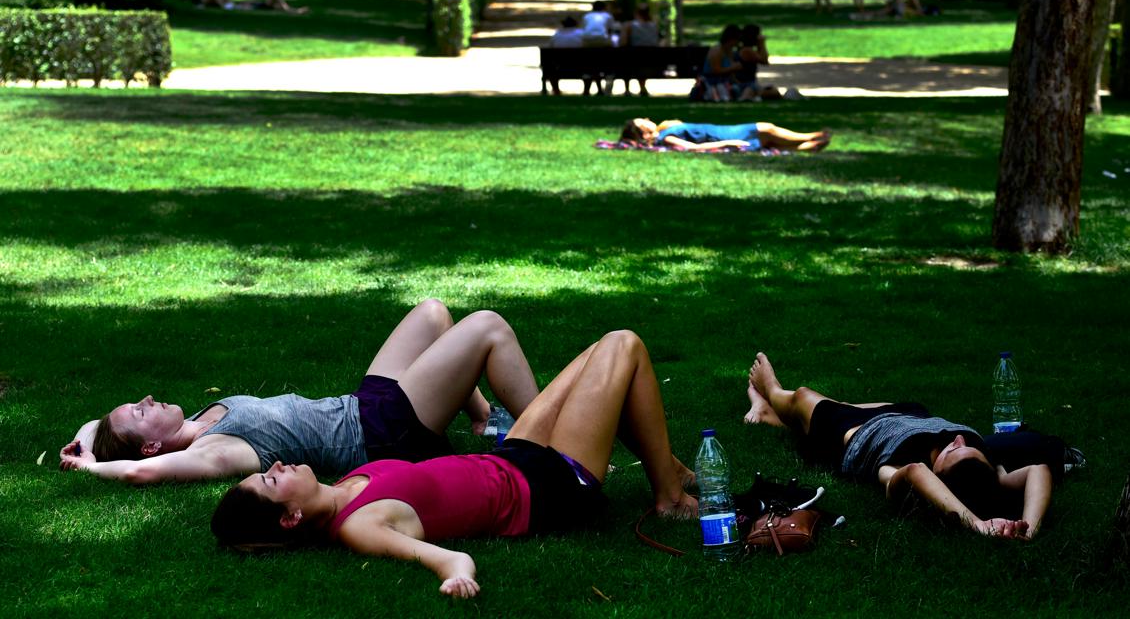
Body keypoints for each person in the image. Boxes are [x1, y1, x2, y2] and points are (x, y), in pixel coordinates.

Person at [211, 330, 698, 598]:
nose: (276, 465)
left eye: (267, 469)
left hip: (514, 458)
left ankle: (667, 469)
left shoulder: (344, 487)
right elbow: (443, 558)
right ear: (291, 516)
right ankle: (670, 497)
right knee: (622, 345)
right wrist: (457, 575)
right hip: (550, 486)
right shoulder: (360, 526)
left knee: (599, 355)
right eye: (271, 480)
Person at [58, 300, 540, 484]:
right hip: (383, 432)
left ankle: (481, 418)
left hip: (360, 404)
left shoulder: (197, 419)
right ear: (150, 446)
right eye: (140, 415)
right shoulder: (216, 451)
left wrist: (84, 441)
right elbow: (140, 474)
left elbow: (105, 431)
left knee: (433, 313)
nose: (146, 400)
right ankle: (547, 443)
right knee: (487, 327)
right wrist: (95, 466)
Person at [742, 352, 1053, 540]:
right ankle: (768, 415)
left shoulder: (899, 472)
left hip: (845, 429)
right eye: (966, 445)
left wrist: (978, 525)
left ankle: (770, 390)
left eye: (954, 450)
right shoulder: (988, 470)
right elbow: (1038, 470)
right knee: (835, 405)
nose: (958, 439)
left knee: (803, 398)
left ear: (939, 476)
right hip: (903, 413)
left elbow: (917, 471)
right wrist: (1031, 527)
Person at [620, 118, 832, 152]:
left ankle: (810, 145)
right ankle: (810, 136)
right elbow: (693, 148)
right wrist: (728, 142)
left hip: (721, 130)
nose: (647, 118)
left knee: (769, 137)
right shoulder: (665, 138)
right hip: (726, 134)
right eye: (643, 121)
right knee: (767, 130)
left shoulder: (664, 129)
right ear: (643, 133)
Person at [618, 4, 661, 96]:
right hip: (650, 57)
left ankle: (627, 89)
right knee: (641, 62)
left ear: (636, 13)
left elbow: (623, 42)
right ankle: (642, 87)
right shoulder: (654, 25)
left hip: (635, 57)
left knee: (626, 59)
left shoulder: (629, 25)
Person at [734, 24, 784, 102]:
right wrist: (762, 43)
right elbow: (765, 61)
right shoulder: (747, 51)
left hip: (749, 84)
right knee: (774, 93)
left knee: (774, 91)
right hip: (746, 85)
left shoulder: (746, 50)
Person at [700, 24, 743, 102]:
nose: (739, 43)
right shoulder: (717, 51)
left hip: (725, 81)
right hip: (712, 82)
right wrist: (733, 68)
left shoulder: (729, 51)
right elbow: (715, 70)